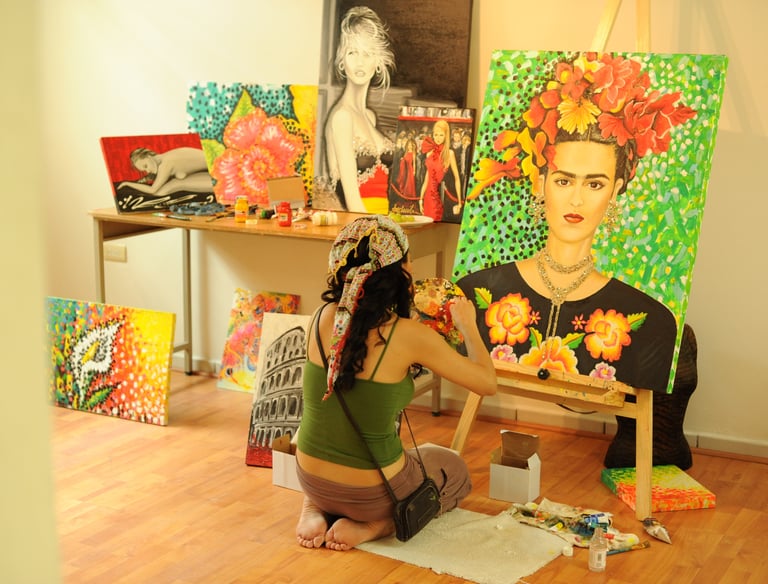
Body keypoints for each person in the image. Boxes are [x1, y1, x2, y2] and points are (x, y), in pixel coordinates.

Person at [457, 52, 697, 393]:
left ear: (615, 191)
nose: (576, 200)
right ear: (540, 184)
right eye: (564, 180)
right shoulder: (478, 291)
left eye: (594, 184)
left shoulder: (649, 318)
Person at [295, 215, 497, 551]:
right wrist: (468, 326)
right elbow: (487, 383)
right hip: (371, 495)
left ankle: (315, 508)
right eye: (408, 260)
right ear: (398, 271)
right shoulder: (409, 336)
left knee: (350, 442)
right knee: (452, 468)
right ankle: (378, 524)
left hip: (309, 478)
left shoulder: (321, 316)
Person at [324, 7, 395, 214]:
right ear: (342, 62)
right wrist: (381, 229)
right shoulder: (342, 117)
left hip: (388, 218)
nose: (360, 62)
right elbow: (353, 202)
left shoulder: (369, 116)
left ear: (378, 62)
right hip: (364, 223)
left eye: (367, 53)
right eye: (352, 52)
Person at [117, 146, 214, 198]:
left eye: (146, 166)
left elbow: (153, 190)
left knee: (163, 191)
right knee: (173, 184)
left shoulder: (166, 164)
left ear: (148, 156)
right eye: (145, 170)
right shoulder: (164, 158)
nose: (148, 171)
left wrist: (127, 183)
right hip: (213, 170)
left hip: (219, 170)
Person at [419, 119, 462, 221]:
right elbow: (426, 180)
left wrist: (459, 202)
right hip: (427, 198)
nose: (438, 138)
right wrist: (420, 199)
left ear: (446, 136)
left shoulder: (449, 154)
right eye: (436, 135)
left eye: (441, 135)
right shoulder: (429, 153)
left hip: (438, 196)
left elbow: (457, 178)